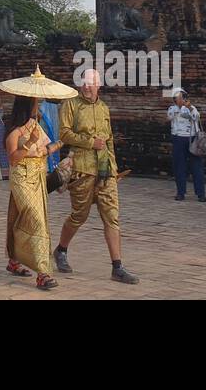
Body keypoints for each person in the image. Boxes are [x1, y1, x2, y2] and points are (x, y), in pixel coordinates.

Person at [54, 69, 139, 284]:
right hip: (81, 168)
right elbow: (64, 134)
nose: (86, 86)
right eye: (83, 82)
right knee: (79, 216)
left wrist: (113, 168)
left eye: (90, 83)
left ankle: (117, 266)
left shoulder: (103, 108)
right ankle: (61, 250)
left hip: (105, 170)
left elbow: (108, 140)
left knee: (111, 217)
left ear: (98, 85)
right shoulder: (70, 104)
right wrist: (90, 142)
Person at [4, 95, 65, 290]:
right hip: (21, 179)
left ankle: (14, 260)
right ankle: (43, 274)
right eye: (35, 103)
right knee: (36, 220)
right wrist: (29, 141)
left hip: (38, 178)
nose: (38, 106)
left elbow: (44, 150)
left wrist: (61, 144)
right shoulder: (14, 131)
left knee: (19, 218)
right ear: (26, 105)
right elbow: (13, 158)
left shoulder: (35, 125)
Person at [168, 87, 206, 202]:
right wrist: (178, 110)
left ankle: (201, 193)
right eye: (177, 98)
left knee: (197, 166)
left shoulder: (192, 108)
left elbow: (196, 117)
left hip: (192, 139)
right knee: (179, 166)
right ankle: (181, 192)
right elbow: (169, 117)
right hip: (178, 138)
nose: (180, 100)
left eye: (181, 98)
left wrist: (189, 107)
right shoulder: (172, 108)